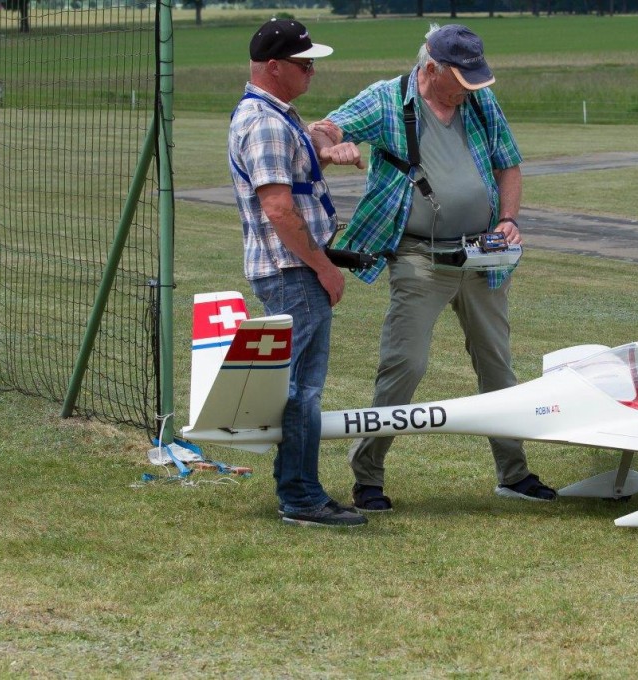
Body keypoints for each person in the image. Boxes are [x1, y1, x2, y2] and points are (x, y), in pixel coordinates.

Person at [312, 24, 557, 512]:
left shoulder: (481, 102)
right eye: (463, 81)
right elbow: (324, 128)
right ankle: (368, 478)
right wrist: (329, 147)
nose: (473, 90)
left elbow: (509, 163)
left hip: (484, 257)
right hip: (419, 259)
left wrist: (508, 220)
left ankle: (513, 474)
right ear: (430, 70)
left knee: (498, 367)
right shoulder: (385, 100)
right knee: (405, 366)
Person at [228, 19, 367, 527]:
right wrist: (325, 268)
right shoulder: (265, 122)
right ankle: (300, 496)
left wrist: (322, 154)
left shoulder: (274, 115)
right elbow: (279, 210)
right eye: (304, 63)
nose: (313, 71)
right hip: (292, 271)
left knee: (300, 387)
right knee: (300, 390)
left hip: (291, 269)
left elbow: (293, 187)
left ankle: (302, 488)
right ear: (273, 67)